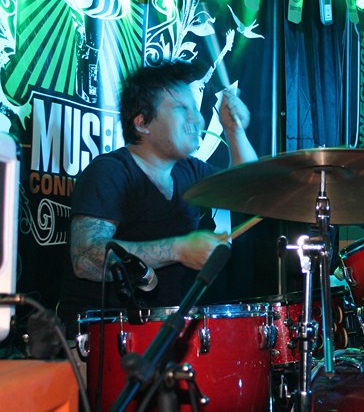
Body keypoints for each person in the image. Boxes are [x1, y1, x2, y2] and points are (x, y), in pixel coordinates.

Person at [58, 60, 258, 335]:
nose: (197, 119)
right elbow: (85, 258)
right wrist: (179, 249)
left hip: (166, 332)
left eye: (195, 108)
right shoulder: (110, 171)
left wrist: (234, 131)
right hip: (104, 337)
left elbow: (249, 190)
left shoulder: (190, 170)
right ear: (142, 123)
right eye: (181, 109)